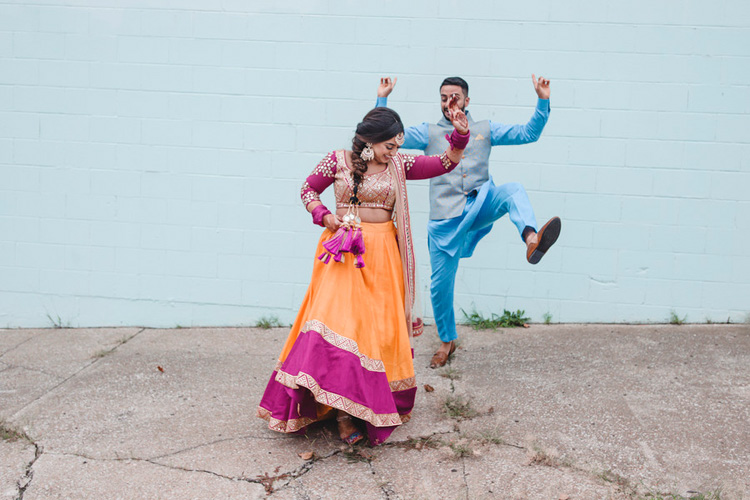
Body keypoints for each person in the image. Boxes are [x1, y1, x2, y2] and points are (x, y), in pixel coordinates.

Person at [257, 102, 470, 446]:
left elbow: (443, 164)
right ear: (371, 141)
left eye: (398, 146)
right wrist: (325, 216)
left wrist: (460, 135)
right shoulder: (338, 160)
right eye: (390, 146)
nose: (395, 152)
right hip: (341, 252)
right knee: (337, 323)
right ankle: (342, 414)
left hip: (383, 255)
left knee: (375, 331)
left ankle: (362, 405)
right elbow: (307, 190)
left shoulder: (400, 164)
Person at [375, 75, 560, 369]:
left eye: (455, 97)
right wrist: (382, 98)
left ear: (466, 100)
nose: (450, 102)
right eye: (444, 97)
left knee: (512, 190)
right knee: (439, 287)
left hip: (481, 204)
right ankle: (447, 341)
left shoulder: (486, 128)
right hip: (444, 221)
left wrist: (543, 99)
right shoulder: (428, 132)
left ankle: (531, 239)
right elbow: (386, 137)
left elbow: (529, 133)